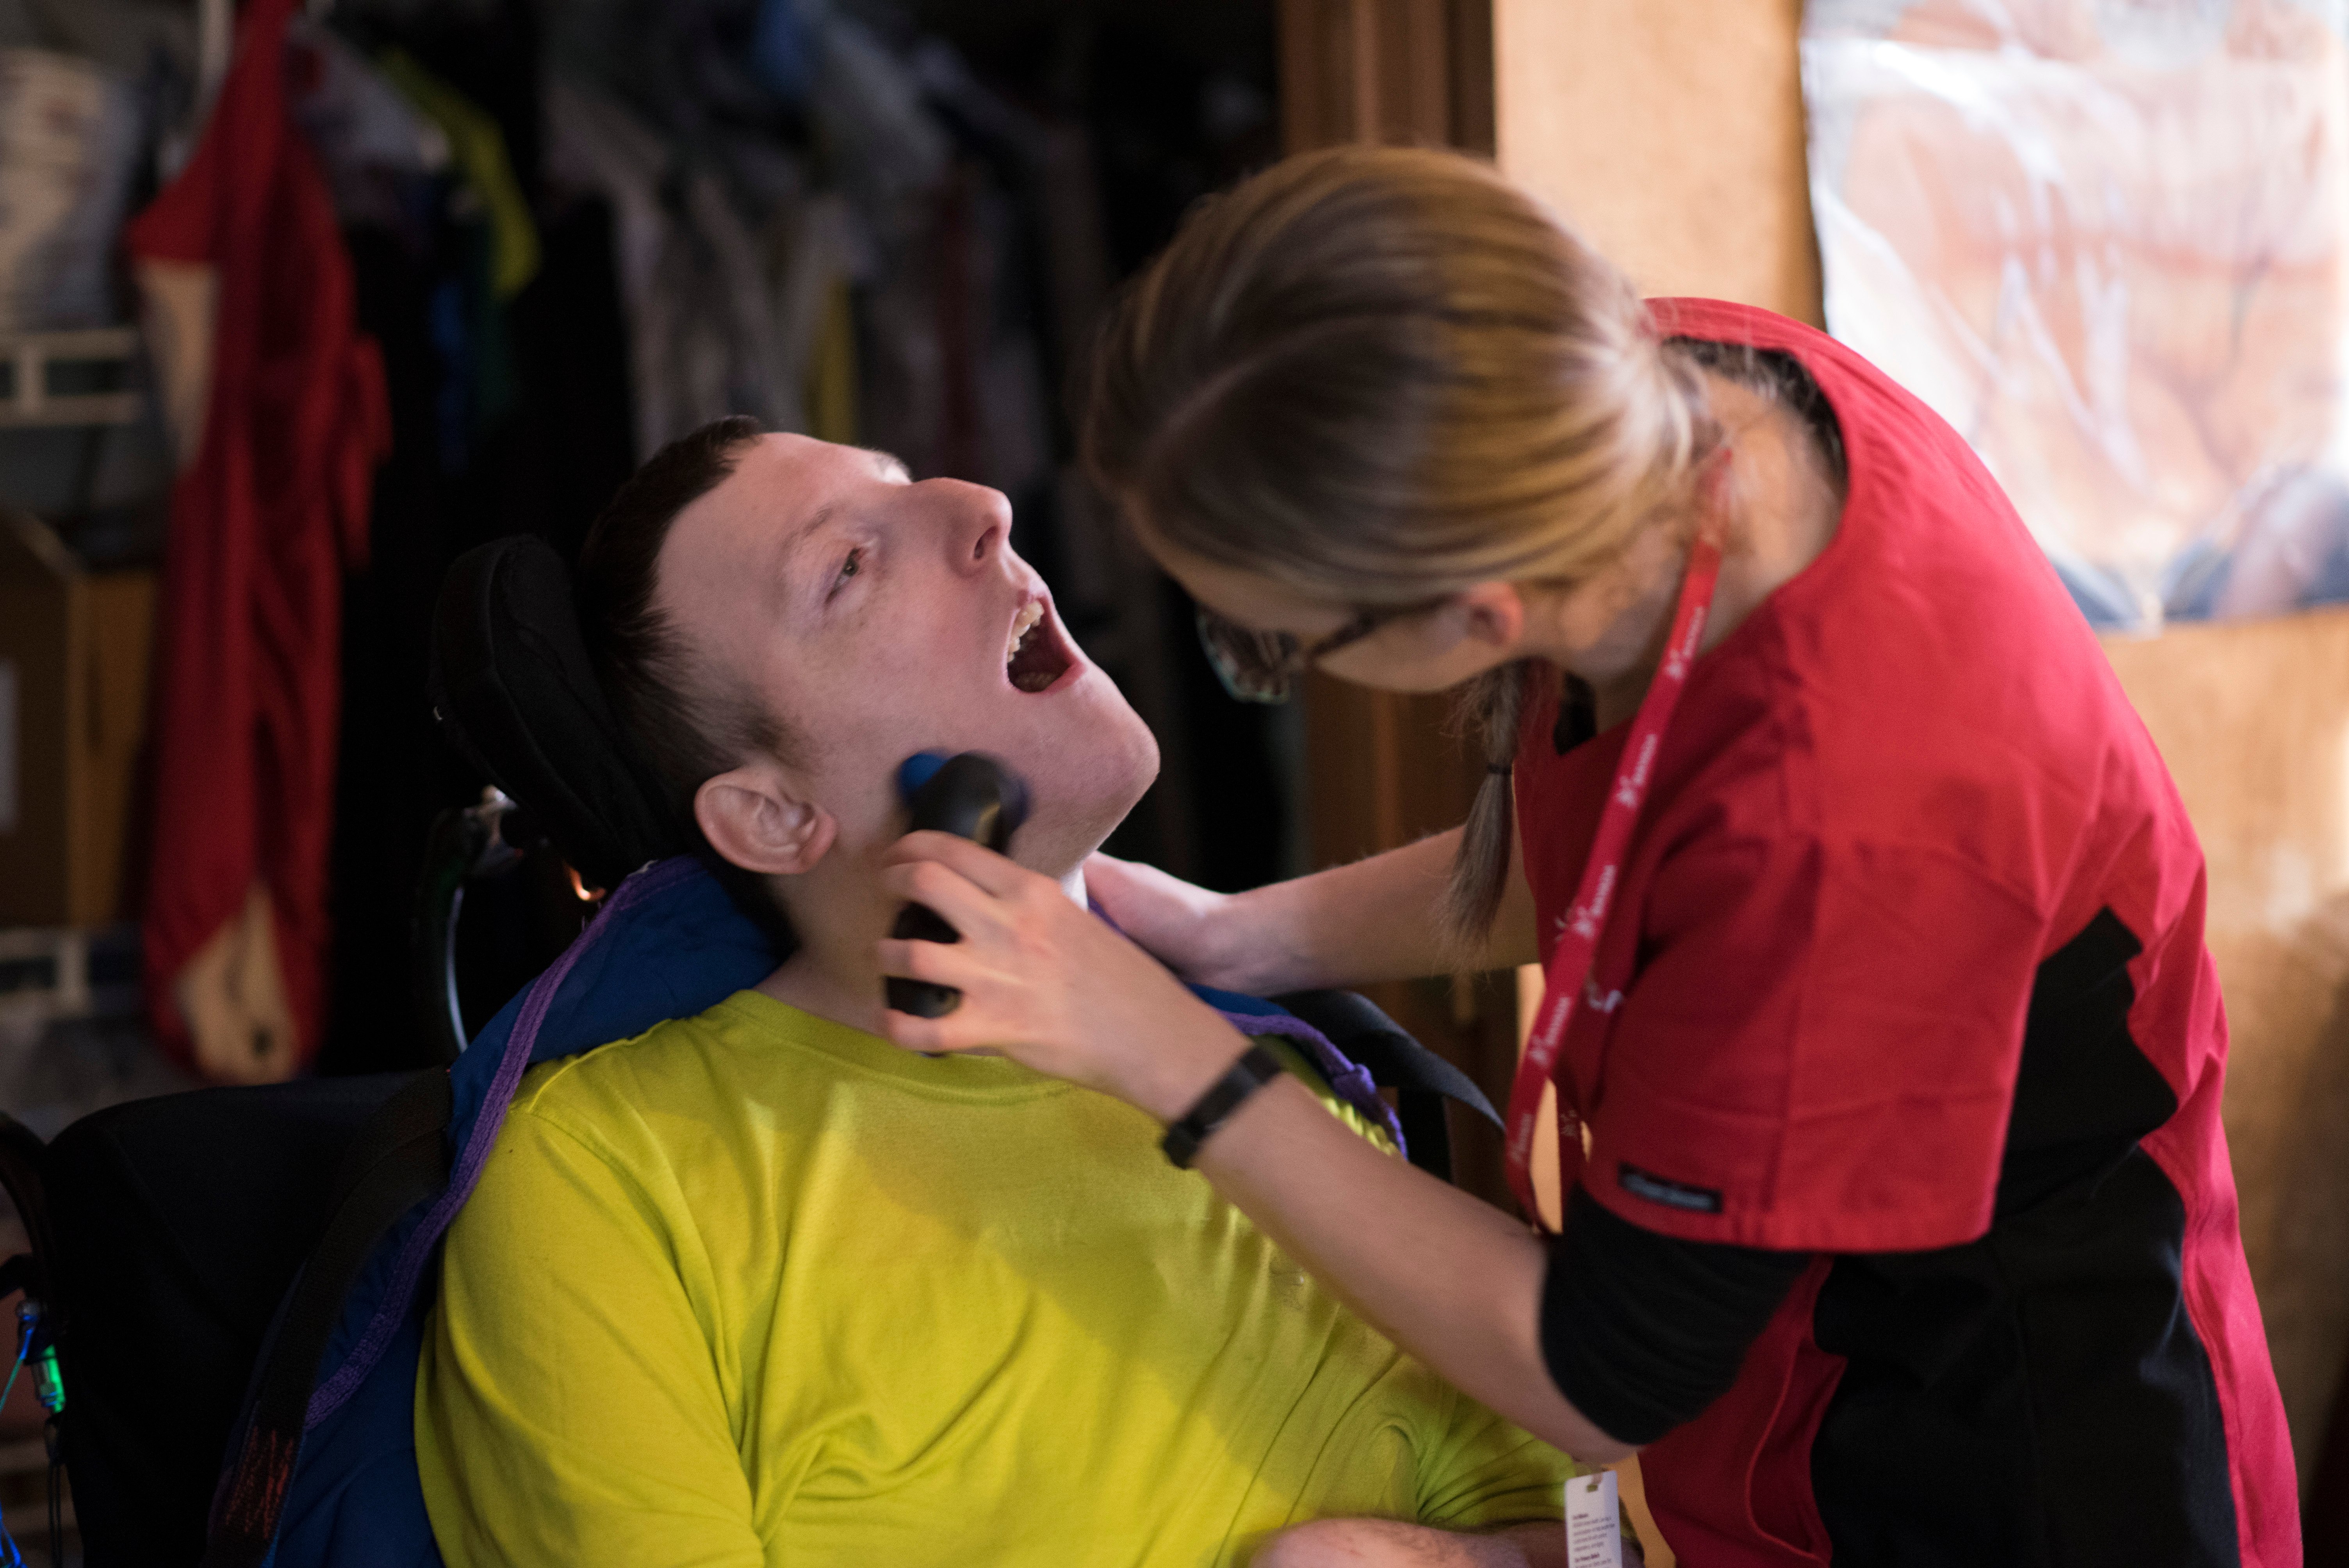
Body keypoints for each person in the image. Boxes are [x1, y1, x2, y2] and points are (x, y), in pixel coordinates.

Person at [874, 146, 2302, 1566]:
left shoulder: (1842, 818)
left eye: (1275, 647)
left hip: (2006, 1465)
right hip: (1779, 1393)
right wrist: (1234, 939)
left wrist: (1165, 1050)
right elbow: (1621, 847)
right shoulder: (1634, 415)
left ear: (1481, 618)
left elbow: (1597, 1370)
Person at [411, 418, 1582, 1568]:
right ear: (771, 816)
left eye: (911, 477)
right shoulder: (604, 1176)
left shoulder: (1285, 1110)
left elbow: (1594, 1529)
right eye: (850, 567)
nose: (983, 503)